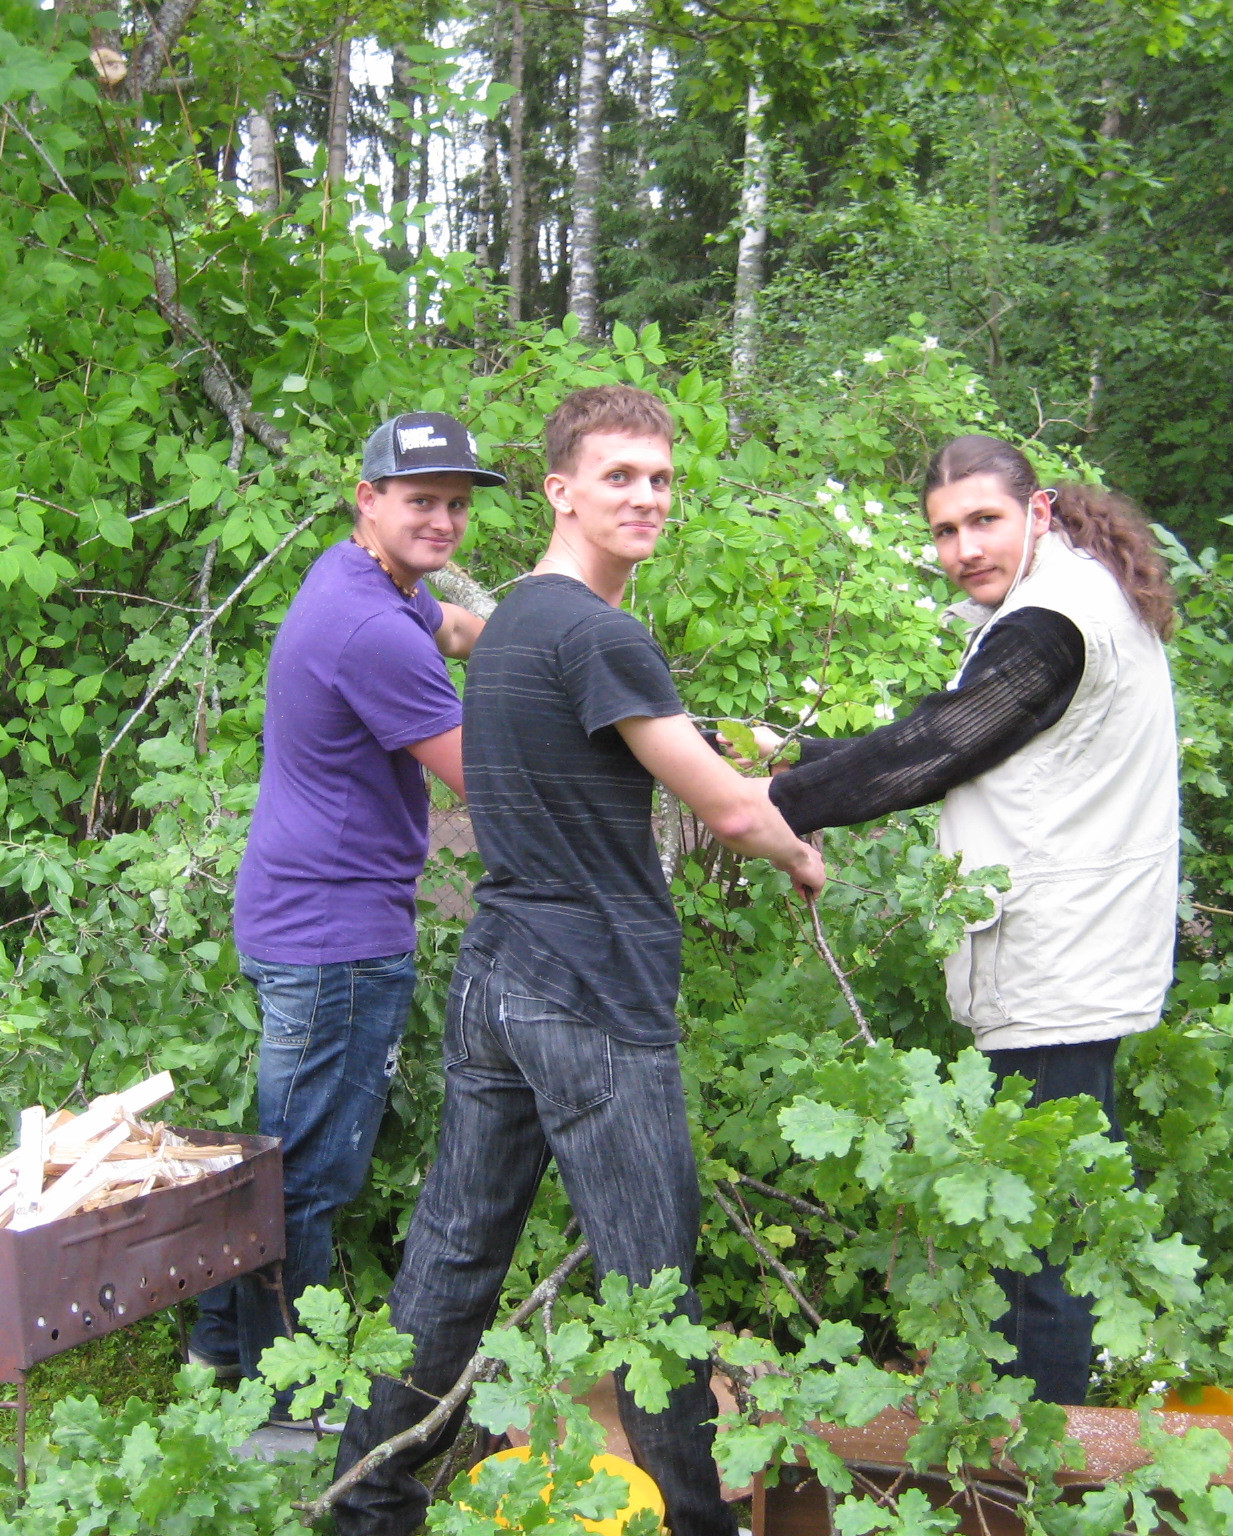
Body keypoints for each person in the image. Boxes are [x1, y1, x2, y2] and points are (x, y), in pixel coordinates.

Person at [331, 385, 825, 1536]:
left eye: (659, 479)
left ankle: (363, 1507)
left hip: (497, 977)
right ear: (559, 490)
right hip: (591, 992)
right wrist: (801, 852)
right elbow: (730, 812)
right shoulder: (602, 636)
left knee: (453, 1260)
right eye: (619, 477)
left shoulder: (512, 624)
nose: (646, 497)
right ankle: (698, 1523)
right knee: (652, 1291)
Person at [759, 432, 1180, 1407]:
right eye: (945, 531)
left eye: (983, 520)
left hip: (1058, 961)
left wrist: (765, 804)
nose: (963, 549)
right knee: (1045, 1216)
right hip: (1078, 949)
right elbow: (956, 736)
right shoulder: (1072, 594)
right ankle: (1032, 1439)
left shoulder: (1051, 623)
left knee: (1038, 1244)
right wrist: (793, 758)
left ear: (1036, 511)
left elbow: (934, 751)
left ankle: (1036, 1460)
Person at [187, 411, 505, 1427]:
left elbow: (459, 631)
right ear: (368, 499)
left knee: (281, 1146)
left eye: (456, 504)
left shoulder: (362, 581)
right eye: (421, 501)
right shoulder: (371, 629)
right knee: (308, 1175)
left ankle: (220, 1346)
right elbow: (488, 783)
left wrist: (539, 639)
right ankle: (284, 1399)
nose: (443, 520)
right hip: (337, 936)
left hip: (300, 912)